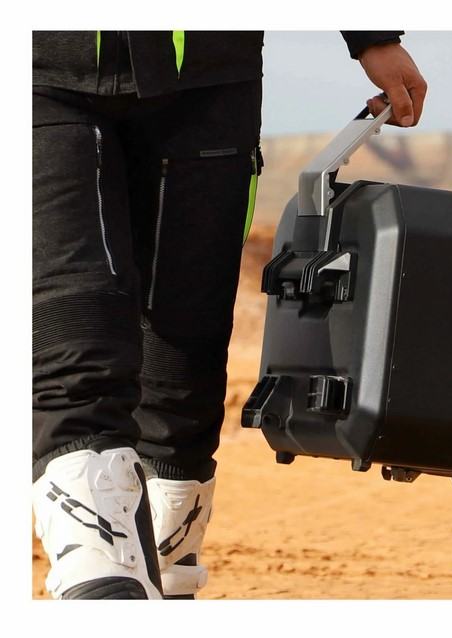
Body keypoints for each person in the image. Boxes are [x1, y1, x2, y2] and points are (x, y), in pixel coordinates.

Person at [32, 30, 427, 600]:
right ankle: (101, 580)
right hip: (39, 73)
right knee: (78, 325)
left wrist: (372, 37)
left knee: (184, 364)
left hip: (211, 77)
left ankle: (169, 578)